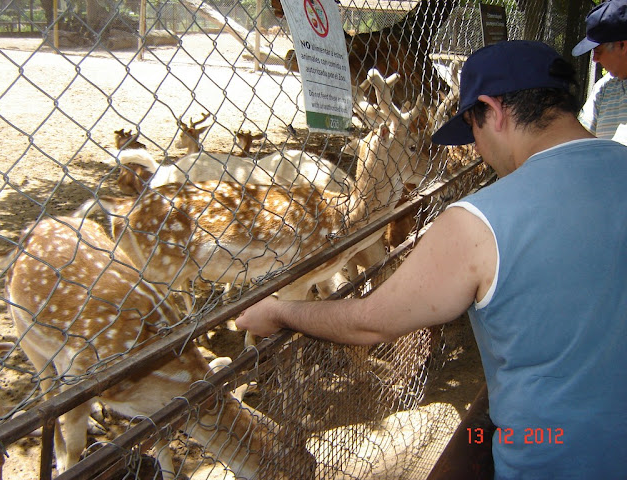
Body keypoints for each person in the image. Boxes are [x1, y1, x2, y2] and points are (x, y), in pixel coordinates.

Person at [236, 40, 627, 479]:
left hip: (552, 455)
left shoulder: (479, 221)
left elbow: (370, 322)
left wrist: (280, 311)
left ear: (492, 110)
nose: (477, 150)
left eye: (473, 132)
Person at [572, 0, 627, 144]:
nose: (595, 59)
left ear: (622, 45)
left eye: (598, 51)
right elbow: (580, 143)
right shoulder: (604, 88)